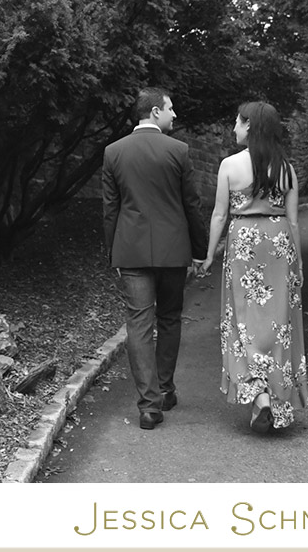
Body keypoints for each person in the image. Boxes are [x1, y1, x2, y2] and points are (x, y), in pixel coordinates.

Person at [196, 100, 308, 433]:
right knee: (279, 322)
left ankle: (256, 392)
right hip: (278, 243)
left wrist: (209, 254)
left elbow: (219, 214)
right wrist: (298, 262)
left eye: (238, 122)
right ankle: (275, 396)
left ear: (250, 126)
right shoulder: (287, 169)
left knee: (242, 317)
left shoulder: (230, 165)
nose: (233, 128)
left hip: (243, 241)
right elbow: (293, 221)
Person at [102, 87, 205, 430]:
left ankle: (149, 406)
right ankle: (165, 388)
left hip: (130, 251)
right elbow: (191, 204)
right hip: (173, 251)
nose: (174, 115)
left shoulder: (113, 152)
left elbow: (110, 209)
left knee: (139, 325)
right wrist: (200, 250)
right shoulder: (178, 151)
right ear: (156, 111)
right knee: (170, 319)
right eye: (171, 108)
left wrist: (112, 252)